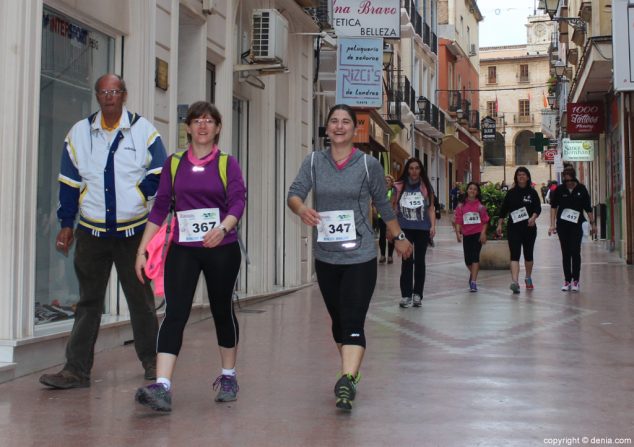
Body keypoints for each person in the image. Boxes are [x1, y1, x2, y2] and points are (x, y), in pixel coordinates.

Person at [39, 74, 167, 389]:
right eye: (103, 91)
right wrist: (66, 224)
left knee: (140, 300)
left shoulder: (143, 131)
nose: (109, 96)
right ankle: (76, 369)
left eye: (115, 91)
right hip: (91, 234)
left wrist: (138, 194)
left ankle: (152, 362)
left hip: (133, 234)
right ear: (97, 96)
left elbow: (160, 173)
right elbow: (68, 183)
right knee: (88, 301)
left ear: (124, 94)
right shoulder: (79, 134)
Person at [287, 104, 412, 411]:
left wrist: (399, 237)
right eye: (334, 121)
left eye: (346, 122)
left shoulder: (367, 165)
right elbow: (294, 192)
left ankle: (347, 379)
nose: (340, 126)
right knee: (339, 323)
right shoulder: (314, 162)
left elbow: (383, 206)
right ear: (327, 129)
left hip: (360, 255)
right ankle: (350, 372)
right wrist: (301, 209)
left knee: (354, 318)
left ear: (355, 129)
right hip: (326, 256)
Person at [134, 101, 246, 412]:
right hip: (184, 249)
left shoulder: (228, 164)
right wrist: (142, 248)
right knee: (174, 313)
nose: (202, 125)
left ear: (218, 128)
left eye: (210, 121)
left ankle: (228, 375)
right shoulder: (174, 163)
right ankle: (163, 386)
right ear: (188, 128)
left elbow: (238, 202)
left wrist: (223, 229)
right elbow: (160, 209)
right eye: (197, 120)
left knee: (221, 309)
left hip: (221, 248)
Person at [393, 157, 436, 308]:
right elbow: (394, 209)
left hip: (422, 229)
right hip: (405, 228)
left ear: (420, 170)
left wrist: (432, 226)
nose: (414, 171)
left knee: (420, 262)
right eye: (411, 168)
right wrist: (393, 230)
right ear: (407, 170)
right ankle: (406, 295)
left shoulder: (426, 187)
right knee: (406, 261)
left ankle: (417, 294)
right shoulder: (399, 187)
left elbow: (431, 208)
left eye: (417, 168)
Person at [548, 166, 596, 292]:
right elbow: (553, 207)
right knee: (566, 252)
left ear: (574, 178)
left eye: (571, 180)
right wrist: (552, 224)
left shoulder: (581, 189)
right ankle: (567, 280)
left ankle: (576, 280)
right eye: (566, 181)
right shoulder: (559, 190)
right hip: (563, 226)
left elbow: (588, 208)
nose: (568, 183)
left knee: (575, 251)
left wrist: (593, 224)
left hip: (577, 225)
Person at [496, 167, 541, 294]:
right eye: (519, 175)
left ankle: (528, 277)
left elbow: (538, 208)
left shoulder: (532, 193)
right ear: (516, 177)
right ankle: (515, 282)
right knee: (514, 255)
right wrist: (499, 224)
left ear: (528, 177)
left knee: (528, 254)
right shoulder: (511, 193)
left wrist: (533, 217)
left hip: (529, 228)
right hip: (513, 228)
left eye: (523, 174)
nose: (521, 177)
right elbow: (503, 210)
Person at [454, 182, 490, 292]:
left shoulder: (480, 207)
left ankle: (473, 282)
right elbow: (458, 220)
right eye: (470, 188)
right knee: (467, 260)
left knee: (475, 257)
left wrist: (483, 233)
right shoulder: (461, 206)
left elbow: (485, 221)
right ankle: (473, 274)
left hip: (477, 234)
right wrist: (457, 233)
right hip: (466, 235)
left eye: (475, 189)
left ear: (477, 192)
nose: (472, 191)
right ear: (467, 190)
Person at [377, 175, 396, 264]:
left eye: (388, 180)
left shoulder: (393, 191)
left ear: (392, 182)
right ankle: (382, 255)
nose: (387, 182)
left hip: (390, 217)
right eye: (385, 180)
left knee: (391, 237)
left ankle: (390, 256)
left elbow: (394, 204)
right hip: (381, 217)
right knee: (382, 236)